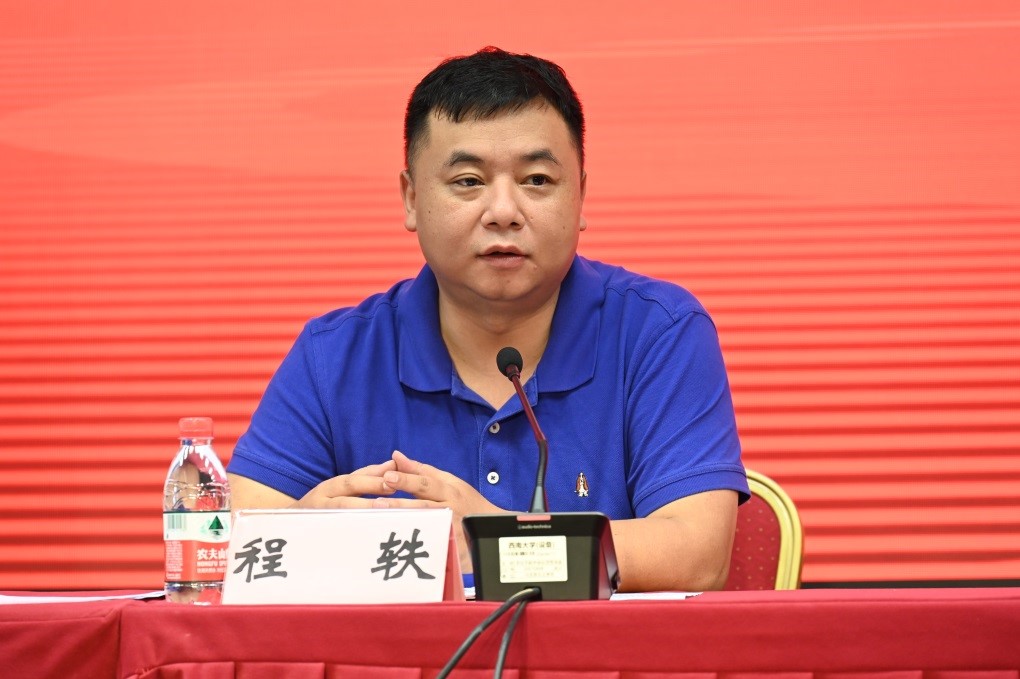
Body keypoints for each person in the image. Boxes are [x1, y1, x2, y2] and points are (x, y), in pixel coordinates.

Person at [227, 46, 749, 593]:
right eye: (468, 181)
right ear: (411, 198)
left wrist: (493, 541)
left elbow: (697, 555)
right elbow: (234, 547)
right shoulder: (335, 355)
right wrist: (309, 532)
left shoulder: (659, 332)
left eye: (537, 180)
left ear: (581, 196)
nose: (503, 212)